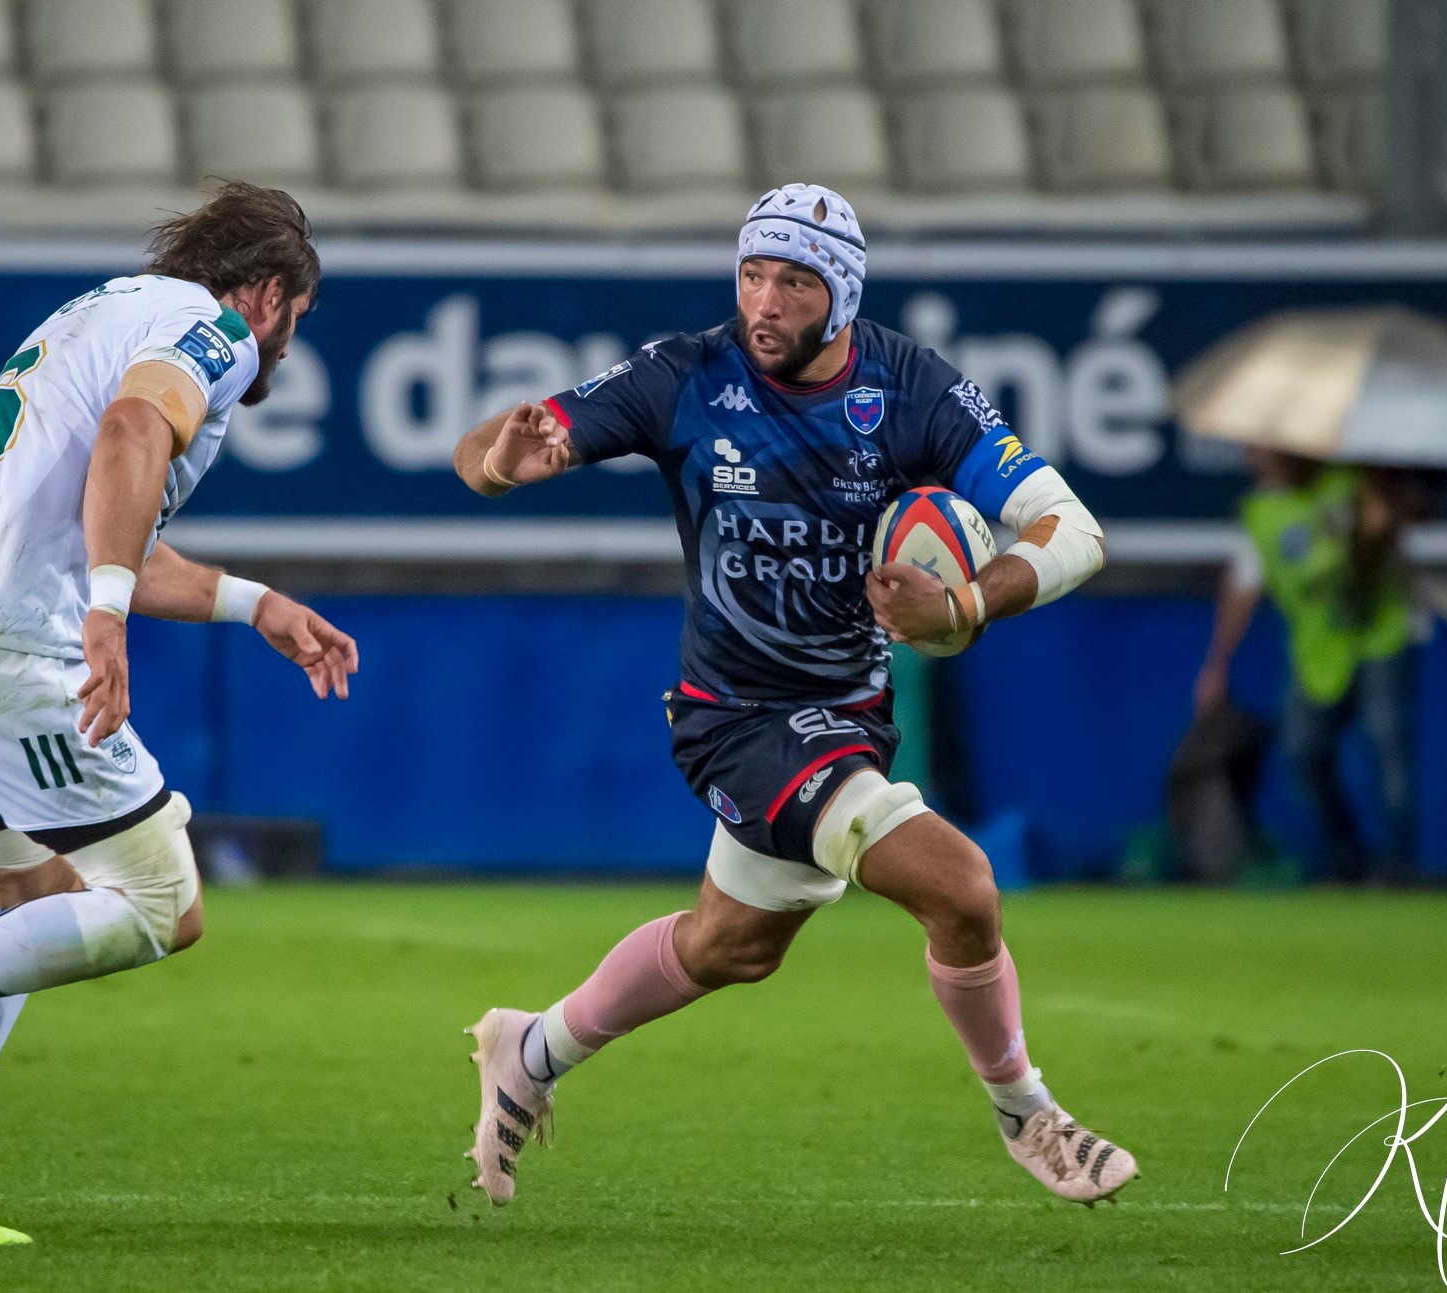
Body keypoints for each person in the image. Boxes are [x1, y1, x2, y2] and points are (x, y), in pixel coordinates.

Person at [451, 183, 1137, 1208]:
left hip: (848, 720)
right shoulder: (686, 374)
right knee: (962, 888)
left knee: (730, 945)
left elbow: (1072, 530)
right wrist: (501, 465)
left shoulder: (910, 390)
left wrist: (964, 604)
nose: (765, 301)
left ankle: (529, 1050)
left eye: (795, 281)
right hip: (732, 720)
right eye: (752, 273)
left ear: (843, 295)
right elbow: (489, 451)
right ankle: (1026, 1110)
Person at [0, 182, 358, 1245]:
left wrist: (255, 606)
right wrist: (103, 616)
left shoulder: (105, 307)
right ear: (269, 294)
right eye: (295, 320)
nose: (284, 347)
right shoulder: (216, 331)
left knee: (30, 897)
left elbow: (105, 513)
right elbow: (133, 430)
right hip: (13, 648)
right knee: (159, 904)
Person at [1194, 450, 1417, 884]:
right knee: (1304, 752)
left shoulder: (1352, 483)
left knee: (1390, 755)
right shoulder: (1263, 511)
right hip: (1318, 651)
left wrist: (1378, 521)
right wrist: (1217, 664)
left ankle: (1399, 869)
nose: (1262, 457)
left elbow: (1399, 531)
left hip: (1380, 637)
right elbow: (1243, 584)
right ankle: (1349, 856)